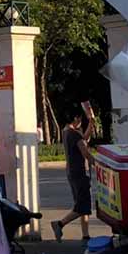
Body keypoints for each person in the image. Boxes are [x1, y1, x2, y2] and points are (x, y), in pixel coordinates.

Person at [51, 103, 95, 243]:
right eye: (80, 119)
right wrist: (98, 163)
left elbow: (85, 139)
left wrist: (91, 123)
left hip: (71, 172)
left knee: (83, 204)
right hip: (79, 173)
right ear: (76, 118)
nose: (80, 122)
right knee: (82, 206)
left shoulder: (66, 132)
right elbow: (85, 152)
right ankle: (59, 224)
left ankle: (86, 235)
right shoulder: (73, 134)